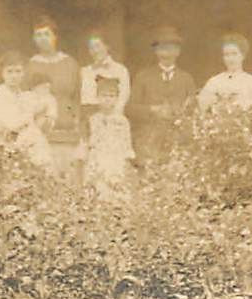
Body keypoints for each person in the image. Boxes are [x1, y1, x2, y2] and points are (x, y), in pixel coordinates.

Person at [125, 25, 197, 165]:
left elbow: (193, 110)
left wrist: (180, 111)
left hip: (177, 143)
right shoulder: (143, 76)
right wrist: (153, 109)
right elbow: (130, 108)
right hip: (148, 143)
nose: (167, 52)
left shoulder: (186, 78)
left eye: (171, 48)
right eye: (162, 47)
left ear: (178, 51)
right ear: (156, 51)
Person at [26, 18, 82, 172]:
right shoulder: (31, 65)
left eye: (46, 34)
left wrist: (77, 125)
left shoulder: (70, 64)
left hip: (67, 131)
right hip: (40, 134)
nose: (42, 39)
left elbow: (77, 97)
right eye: (38, 35)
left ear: (55, 37)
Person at [0, 51, 55, 167]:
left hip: (33, 150)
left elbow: (42, 125)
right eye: (9, 71)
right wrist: (33, 112)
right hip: (8, 150)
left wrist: (46, 115)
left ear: (23, 73)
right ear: (2, 73)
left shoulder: (28, 97)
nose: (14, 76)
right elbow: (12, 125)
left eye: (18, 71)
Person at [198, 32, 252, 114]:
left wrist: (250, 105)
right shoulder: (214, 82)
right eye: (226, 55)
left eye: (234, 54)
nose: (231, 59)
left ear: (243, 56)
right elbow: (203, 107)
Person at [83, 76, 134, 196]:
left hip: (115, 160)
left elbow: (126, 144)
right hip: (97, 159)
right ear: (97, 97)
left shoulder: (122, 121)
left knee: (115, 190)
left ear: (117, 99)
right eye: (104, 96)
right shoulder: (93, 119)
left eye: (111, 96)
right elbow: (88, 143)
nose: (107, 99)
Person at [79, 29, 131, 137]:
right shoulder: (85, 72)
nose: (95, 50)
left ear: (107, 46)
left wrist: (110, 122)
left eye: (98, 46)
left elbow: (122, 100)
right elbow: (83, 100)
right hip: (89, 123)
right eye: (91, 48)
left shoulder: (120, 70)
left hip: (112, 122)